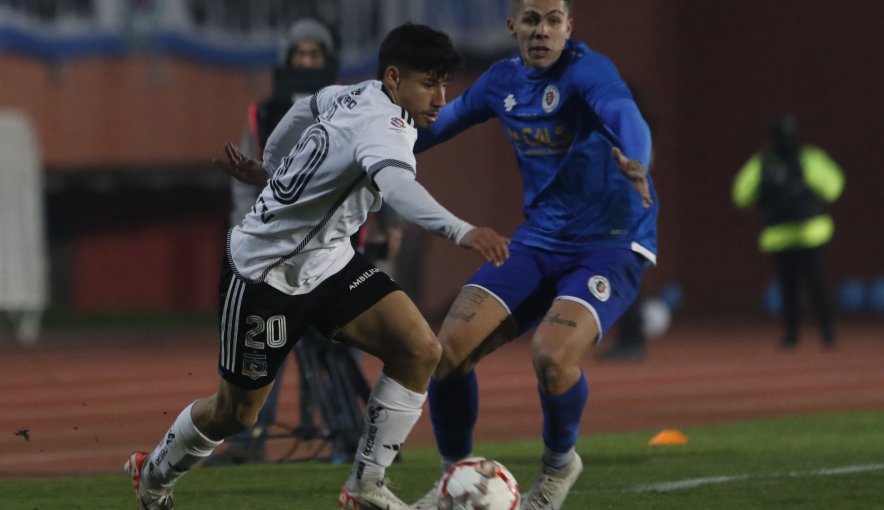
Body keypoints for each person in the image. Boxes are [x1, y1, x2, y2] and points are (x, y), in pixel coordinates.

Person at [124, 23, 510, 510]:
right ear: (394, 77)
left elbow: (304, 107)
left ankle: (365, 487)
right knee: (236, 414)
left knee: (419, 350)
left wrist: (272, 167)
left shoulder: (354, 94)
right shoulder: (385, 126)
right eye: (429, 83)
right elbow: (397, 188)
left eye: (444, 83)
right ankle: (153, 471)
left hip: (329, 263)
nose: (440, 96)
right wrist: (463, 230)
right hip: (266, 274)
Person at [411, 1, 658, 509]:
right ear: (512, 27)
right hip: (539, 240)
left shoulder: (588, 70)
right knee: (447, 352)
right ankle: (454, 481)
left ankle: (558, 468)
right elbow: (436, 128)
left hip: (610, 241)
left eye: (552, 20)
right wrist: (364, 149)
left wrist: (636, 160)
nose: (541, 31)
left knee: (550, 353)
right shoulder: (501, 82)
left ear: (569, 27)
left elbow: (624, 113)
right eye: (531, 20)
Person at [204, 16, 344, 468]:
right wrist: (248, 233)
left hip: (331, 248)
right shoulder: (263, 113)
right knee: (262, 343)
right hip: (271, 250)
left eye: (314, 55)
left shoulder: (351, 107)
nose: (306, 62)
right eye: (299, 54)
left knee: (333, 347)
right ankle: (248, 439)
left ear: (328, 61)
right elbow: (244, 181)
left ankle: (342, 435)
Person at [732, 113, 844, 349]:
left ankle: (792, 337)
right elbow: (834, 187)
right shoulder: (810, 158)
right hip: (811, 232)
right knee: (818, 286)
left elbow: (741, 195)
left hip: (778, 235)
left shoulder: (762, 163)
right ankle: (828, 335)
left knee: (788, 288)